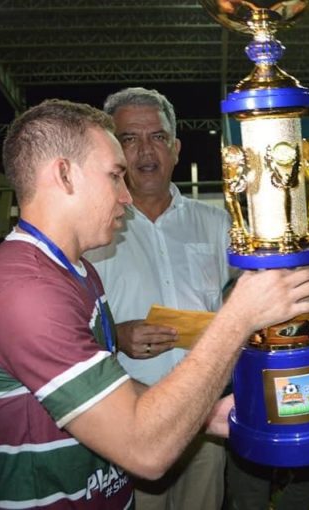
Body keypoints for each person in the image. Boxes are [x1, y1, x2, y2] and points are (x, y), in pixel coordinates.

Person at [0, 99, 309, 509]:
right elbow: (145, 452)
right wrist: (239, 317)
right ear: (63, 175)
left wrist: (203, 416)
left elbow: (106, 387)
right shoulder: (24, 291)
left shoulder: (74, 270)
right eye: (114, 176)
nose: (125, 196)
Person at [83, 87, 230, 509]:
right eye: (129, 138)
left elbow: (244, 302)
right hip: (124, 422)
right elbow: (63, 325)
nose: (146, 150)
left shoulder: (215, 224)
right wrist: (114, 334)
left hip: (202, 421)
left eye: (158, 137)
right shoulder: (93, 232)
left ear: (176, 147)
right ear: (111, 148)